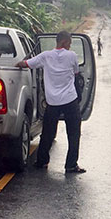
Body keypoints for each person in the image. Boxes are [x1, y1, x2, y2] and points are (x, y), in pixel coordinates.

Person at [16, 30, 86, 173]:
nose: (70, 46)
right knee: (73, 134)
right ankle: (71, 165)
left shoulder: (45, 56)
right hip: (70, 100)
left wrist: (15, 64)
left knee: (47, 132)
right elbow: (76, 73)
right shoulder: (72, 56)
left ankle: (42, 161)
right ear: (65, 42)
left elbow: (25, 64)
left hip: (52, 101)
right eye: (70, 43)